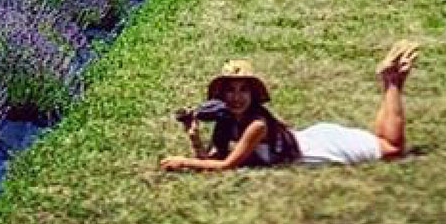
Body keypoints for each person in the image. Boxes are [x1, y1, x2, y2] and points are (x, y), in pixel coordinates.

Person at [158, 42, 419, 172]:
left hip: (316, 148)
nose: (237, 97)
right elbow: (213, 160)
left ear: (253, 95)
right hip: (312, 137)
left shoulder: (256, 125)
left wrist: (184, 162)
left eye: (243, 90)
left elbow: (226, 167)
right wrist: (194, 140)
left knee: (392, 149)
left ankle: (393, 83)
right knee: (383, 141)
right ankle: (390, 82)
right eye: (230, 90)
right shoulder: (228, 119)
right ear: (222, 95)